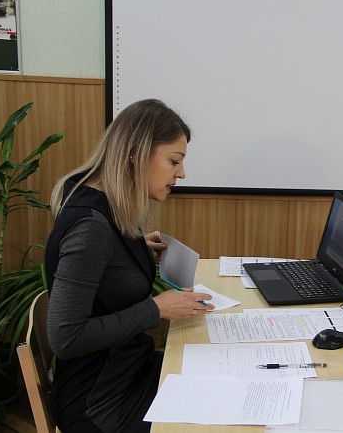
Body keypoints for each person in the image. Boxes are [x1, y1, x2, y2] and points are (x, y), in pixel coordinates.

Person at [44, 99, 215, 433]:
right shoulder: (90, 229)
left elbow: (102, 274)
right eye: (174, 161)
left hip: (128, 369)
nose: (181, 173)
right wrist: (157, 309)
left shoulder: (100, 203)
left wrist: (133, 249)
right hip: (100, 402)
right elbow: (65, 338)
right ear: (136, 153)